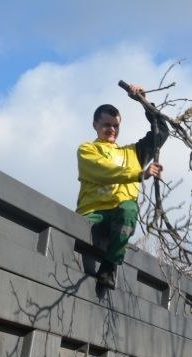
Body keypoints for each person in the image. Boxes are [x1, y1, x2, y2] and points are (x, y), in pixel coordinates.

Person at [76, 88, 167, 288]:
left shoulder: (134, 153)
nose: (112, 130)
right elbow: (103, 171)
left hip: (118, 219)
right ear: (95, 125)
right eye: (107, 125)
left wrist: (143, 101)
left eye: (116, 126)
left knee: (129, 208)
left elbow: (161, 131)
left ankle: (109, 266)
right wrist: (138, 174)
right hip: (93, 214)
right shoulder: (87, 150)